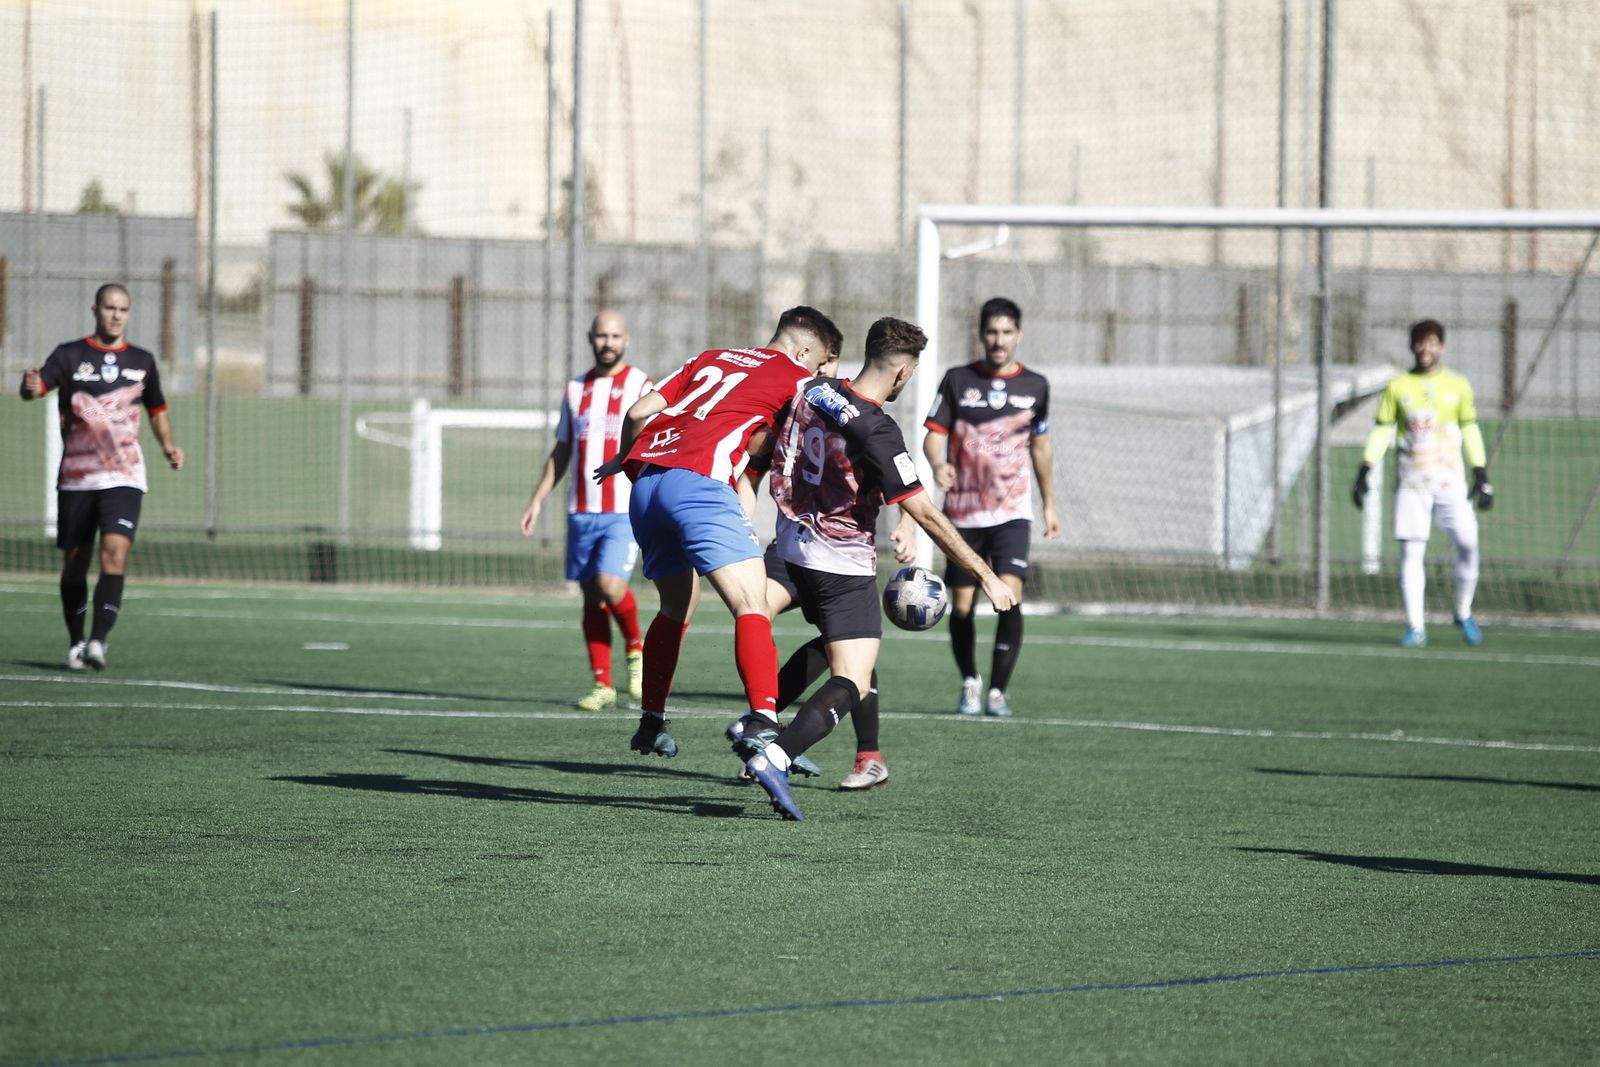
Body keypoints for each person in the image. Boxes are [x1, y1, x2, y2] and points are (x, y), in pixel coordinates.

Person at [738, 316, 1018, 821]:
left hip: (789, 544)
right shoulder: (879, 430)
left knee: (831, 647)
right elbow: (928, 514)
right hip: (840, 565)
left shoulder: (814, 390)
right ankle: (774, 754)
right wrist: (986, 575)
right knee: (854, 677)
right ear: (903, 373)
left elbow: (763, 442)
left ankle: (761, 719)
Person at [591, 306, 843, 761]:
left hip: (647, 483)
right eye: (819, 361)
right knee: (752, 604)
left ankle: (651, 720)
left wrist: (621, 459)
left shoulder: (710, 356)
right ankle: (764, 722)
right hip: (699, 483)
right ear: (804, 350)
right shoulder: (795, 378)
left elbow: (637, 411)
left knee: (674, 605)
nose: (818, 371)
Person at [19, 284, 184, 671]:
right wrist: (28, 388)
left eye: (123, 309)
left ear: (129, 313)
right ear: (96, 309)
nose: (116, 315)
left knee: (116, 552)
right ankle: (76, 642)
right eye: (109, 307)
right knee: (76, 562)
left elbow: (157, 408)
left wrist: (168, 446)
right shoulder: (70, 354)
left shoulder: (142, 360)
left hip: (125, 475)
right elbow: (37, 388)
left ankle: (99, 641)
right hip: (77, 478)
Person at [921, 297, 1059, 717]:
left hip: (1013, 512)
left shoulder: (1036, 385)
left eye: (1006, 332)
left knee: (1008, 597)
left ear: (1018, 335)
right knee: (962, 606)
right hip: (962, 514)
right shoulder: (958, 379)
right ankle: (970, 681)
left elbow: (1041, 447)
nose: (999, 341)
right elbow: (933, 434)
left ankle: (998, 690)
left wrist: (1050, 504)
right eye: (992, 332)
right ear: (982, 334)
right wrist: (938, 463)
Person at [520, 309, 654, 710]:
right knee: (591, 596)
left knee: (611, 586)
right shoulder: (575, 389)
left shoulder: (640, 384)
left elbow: (654, 439)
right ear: (590, 339)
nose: (607, 343)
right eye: (600, 336)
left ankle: (636, 650)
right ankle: (602, 685)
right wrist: (538, 498)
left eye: (614, 336)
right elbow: (562, 449)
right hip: (581, 509)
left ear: (626, 339)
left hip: (623, 508)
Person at [1352, 319, 1494, 648]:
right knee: (1411, 550)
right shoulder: (1398, 387)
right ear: (1411, 346)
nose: (1424, 348)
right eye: (1418, 342)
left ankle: (1462, 609)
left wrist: (1481, 472)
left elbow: (1470, 428)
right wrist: (1365, 469)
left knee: (1468, 544)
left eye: (1431, 342)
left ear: (1441, 347)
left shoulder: (1457, 385)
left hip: (1450, 479)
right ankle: (1416, 627)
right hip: (1411, 480)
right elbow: (1382, 430)